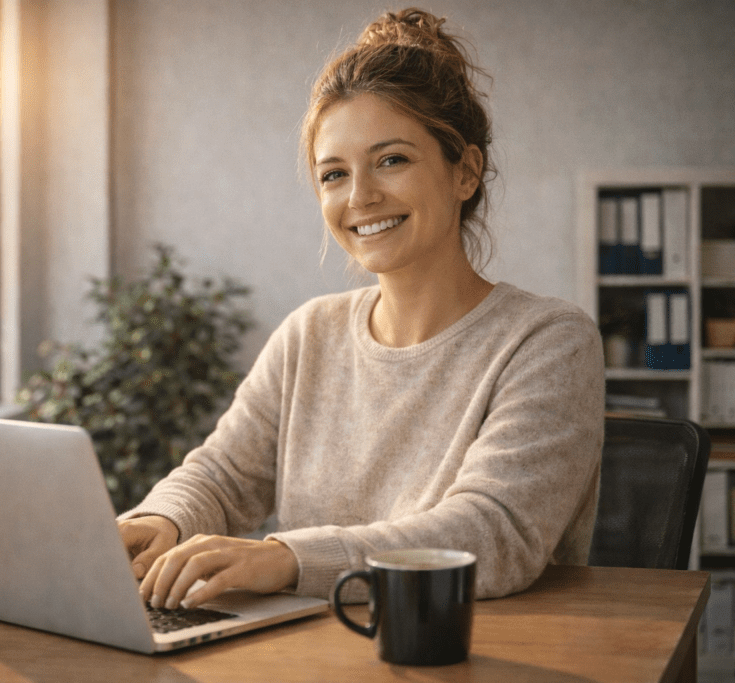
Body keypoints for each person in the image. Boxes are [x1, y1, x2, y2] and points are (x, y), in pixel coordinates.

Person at [117, 7, 604, 611]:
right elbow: (221, 475)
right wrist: (163, 519)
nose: (361, 196)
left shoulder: (549, 341)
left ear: (466, 172)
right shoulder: (308, 334)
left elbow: (492, 531)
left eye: (392, 160)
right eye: (333, 174)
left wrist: (289, 559)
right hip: (318, 658)